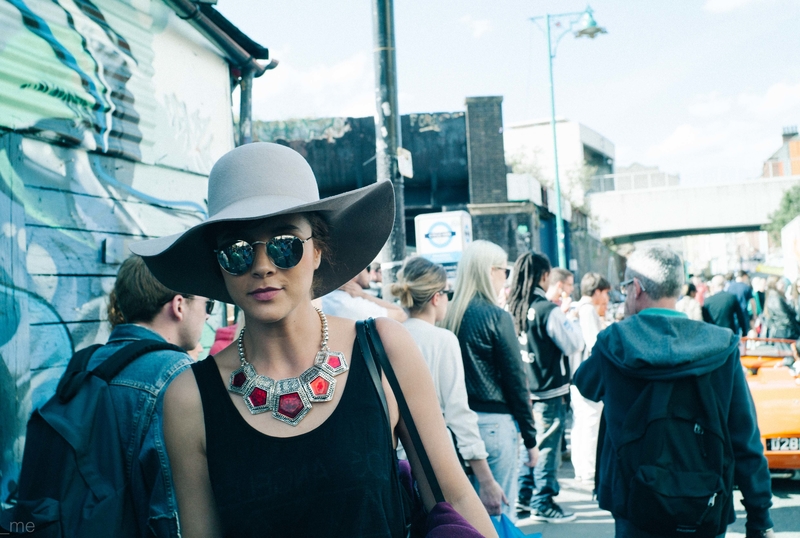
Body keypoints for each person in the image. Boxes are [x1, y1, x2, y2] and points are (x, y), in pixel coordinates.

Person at [131, 143, 496, 537]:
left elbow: (454, 498)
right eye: (237, 251)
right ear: (218, 266)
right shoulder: (188, 398)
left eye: (285, 243)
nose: (263, 266)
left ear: (318, 250)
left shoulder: (384, 349)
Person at [573, 246, 774, 538]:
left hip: (634, 504)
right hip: (705, 503)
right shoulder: (721, 345)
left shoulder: (614, 343)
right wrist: (760, 516)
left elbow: (586, 385)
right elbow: (744, 436)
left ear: (637, 288)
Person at [99, 255, 209, 536]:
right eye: (207, 303)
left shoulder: (86, 364)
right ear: (179, 305)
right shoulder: (178, 376)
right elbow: (171, 512)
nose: (208, 315)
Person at [390, 256, 507, 515]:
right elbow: (458, 415)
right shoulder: (443, 340)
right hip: (433, 464)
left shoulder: (384, 336)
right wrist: (486, 481)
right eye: (448, 293)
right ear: (436, 297)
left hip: (393, 465)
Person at [442, 240, 539, 521]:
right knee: (498, 517)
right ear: (489, 271)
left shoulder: (446, 314)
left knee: (463, 519)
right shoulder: (497, 316)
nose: (506, 277)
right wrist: (531, 438)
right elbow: (515, 381)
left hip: (452, 427)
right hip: (494, 426)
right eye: (504, 270)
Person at [507, 252, 584, 523]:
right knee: (547, 446)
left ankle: (523, 497)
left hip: (523, 389)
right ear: (543, 276)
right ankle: (543, 500)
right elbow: (574, 344)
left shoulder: (513, 307)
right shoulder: (546, 309)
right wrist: (568, 318)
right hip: (549, 388)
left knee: (529, 444)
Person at [569, 272, 610, 486]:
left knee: (582, 424)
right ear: (597, 291)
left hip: (577, 377)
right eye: (605, 293)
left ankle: (582, 468)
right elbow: (596, 344)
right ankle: (588, 469)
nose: (606, 299)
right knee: (589, 424)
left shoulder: (578, 308)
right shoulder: (587, 311)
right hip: (586, 378)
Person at [321, 267, 407, 322]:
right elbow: (400, 315)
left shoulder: (328, 298)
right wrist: (363, 295)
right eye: (367, 268)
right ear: (355, 274)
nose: (368, 273)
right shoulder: (351, 303)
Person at [764, 276, 800, 340]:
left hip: (783, 331)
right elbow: (784, 317)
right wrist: (795, 328)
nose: (783, 284)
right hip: (785, 332)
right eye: (781, 283)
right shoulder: (775, 298)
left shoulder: (774, 296)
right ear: (774, 284)